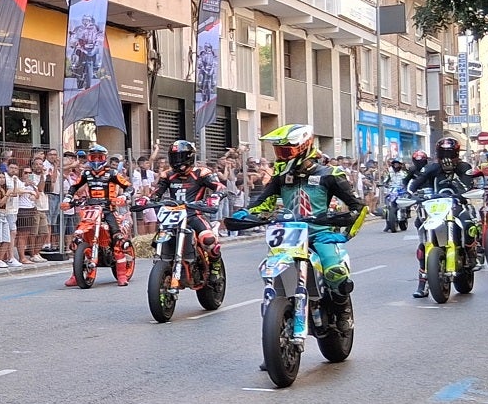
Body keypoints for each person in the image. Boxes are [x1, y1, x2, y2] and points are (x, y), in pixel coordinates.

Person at [227, 124, 364, 296]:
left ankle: (342, 308)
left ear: (303, 148)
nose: (281, 157)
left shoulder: (330, 174)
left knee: (335, 273)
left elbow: (358, 207)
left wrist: (345, 235)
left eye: (285, 152)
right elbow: (264, 202)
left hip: (320, 233)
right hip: (288, 236)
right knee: (270, 269)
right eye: (278, 152)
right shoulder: (281, 176)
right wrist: (246, 213)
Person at [407, 136, 479, 298]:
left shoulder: (464, 167)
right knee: (422, 236)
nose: (447, 158)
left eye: (450, 153)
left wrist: (455, 180)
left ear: (456, 153)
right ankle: (423, 283)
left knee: (468, 224)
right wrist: (411, 194)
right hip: (435, 206)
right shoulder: (431, 168)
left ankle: (471, 256)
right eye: (443, 153)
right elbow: (415, 183)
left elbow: (468, 185)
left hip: (457, 205)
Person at [61, 144, 132, 287]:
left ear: (105, 158)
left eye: (99, 157)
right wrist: (68, 199)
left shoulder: (112, 173)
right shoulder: (86, 173)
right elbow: (74, 187)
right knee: (78, 237)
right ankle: (75, 275)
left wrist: (123, 196)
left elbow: (129, 187)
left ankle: (122, 275)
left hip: (108, 209)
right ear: (89, 158)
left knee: (117, 238)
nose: (96, 160)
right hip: (90, 209)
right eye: (93, 157)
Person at [146, 139, 224, 252]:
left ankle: (215, 261)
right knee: (157, 243)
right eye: (174, 157)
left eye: (180, 157)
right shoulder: (167, 175)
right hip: (172, 217)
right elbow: (157, 192)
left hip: (194, 215)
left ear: (189, 157)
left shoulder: (201, 173)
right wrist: (147, 199)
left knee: (208, 240)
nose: (177, 161)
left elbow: (220, 186)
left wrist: (215, 197)